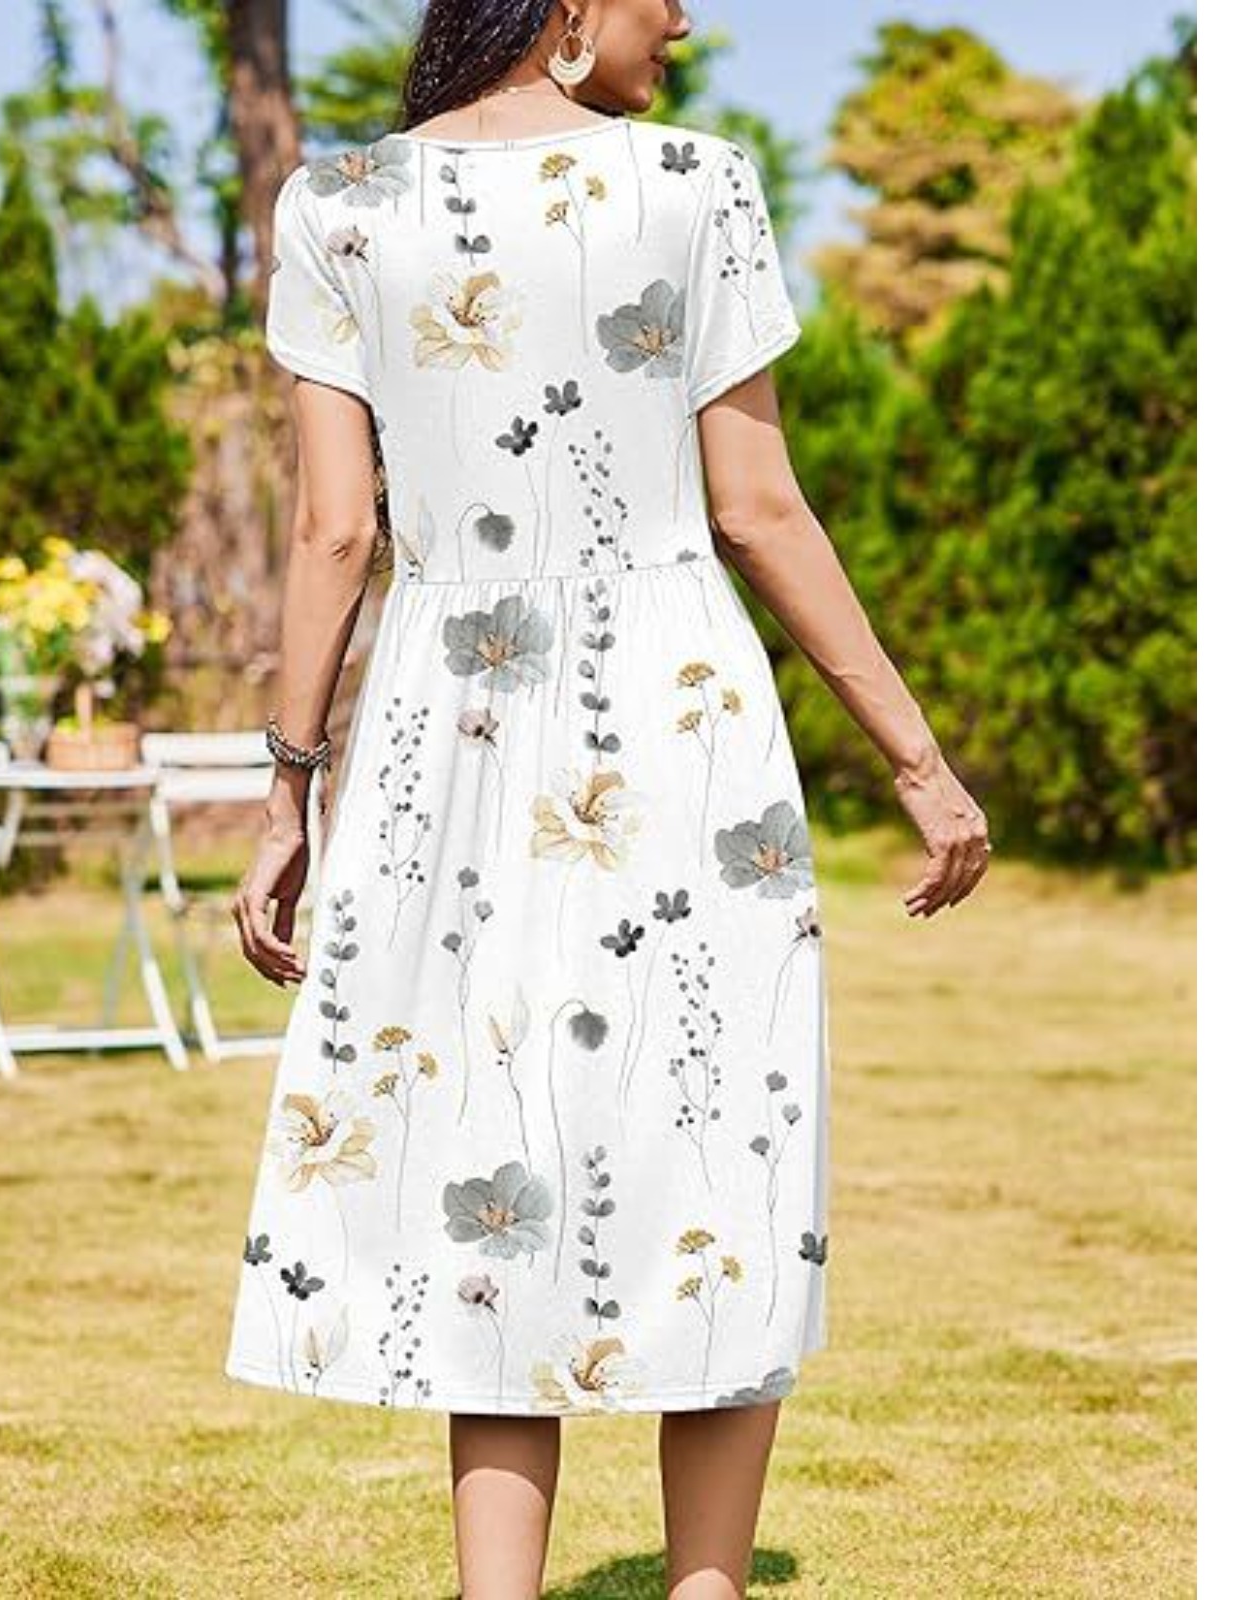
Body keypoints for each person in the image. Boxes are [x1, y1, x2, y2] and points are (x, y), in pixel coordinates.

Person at [227, 3, 990, 1595]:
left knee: (485, 1162)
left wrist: (292, 789)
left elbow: (334, 533)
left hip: (449, 730)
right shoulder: (696, 184)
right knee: (712, 1143)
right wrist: (918, 761)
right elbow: (758, 509)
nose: (688, 17)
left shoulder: (339, 204)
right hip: (678, 719)